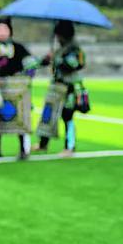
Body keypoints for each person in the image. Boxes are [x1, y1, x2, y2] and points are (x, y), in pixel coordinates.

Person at [0, 16, 38, 159]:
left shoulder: (18, 48)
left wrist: (26, 76)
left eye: (5, 29)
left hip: (17, 92)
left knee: (20, 118)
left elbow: (31, 64)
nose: (2, 32)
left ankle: (23, 149)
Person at [38, 20, 87, 156]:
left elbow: (75, 64)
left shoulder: (74, 49)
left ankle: (69, 147)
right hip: (56, 86)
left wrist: (57, 60)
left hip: (69, 87)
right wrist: (47, 59)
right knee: (48, 115)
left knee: (67, 115)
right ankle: (43, 144)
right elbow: (45, 62)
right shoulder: (60, 49)